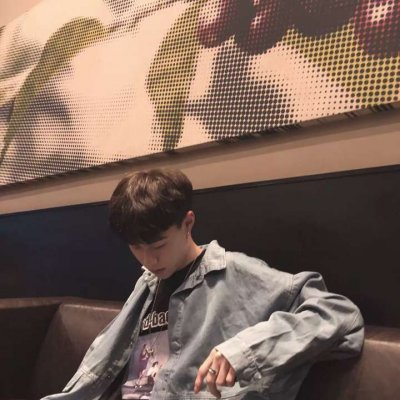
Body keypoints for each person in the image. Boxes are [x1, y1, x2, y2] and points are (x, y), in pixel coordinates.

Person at [41, 168, 364, 400]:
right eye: (136, 248)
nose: (149, 259)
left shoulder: (234, 272)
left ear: (188, 223)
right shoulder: (147, 285)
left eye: (158, 245)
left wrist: (245, 351)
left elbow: (338, 314)